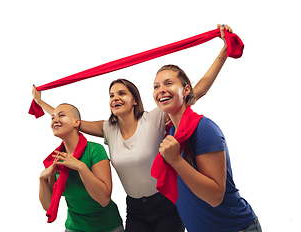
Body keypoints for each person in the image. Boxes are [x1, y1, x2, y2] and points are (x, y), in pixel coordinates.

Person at [34, 24, 232, 232]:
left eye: (121, 93)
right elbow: (69, 121)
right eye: (111, 95)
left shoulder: (154, 119)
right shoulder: (108, 129)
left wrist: (224, 52)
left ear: (134, 100)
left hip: (166, 204)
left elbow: (196, 92)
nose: (115, 98)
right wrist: (41, 103)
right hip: (135, 209)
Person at [152, 64, 262, 232]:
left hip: (235, 228)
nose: (161, 90)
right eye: (156, 86)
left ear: (186, 89)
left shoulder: (204, 129)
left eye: (168, 83)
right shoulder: (173, 132)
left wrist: (176, 160)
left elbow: (215, 196)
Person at [38, 103, 124, 232]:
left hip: (108, 227)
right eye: (52, 118)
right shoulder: (56, 159)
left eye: (61, 115)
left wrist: (80, 167)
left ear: (76, 122)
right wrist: (42, 179)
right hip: (75, 227)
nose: (55, 120)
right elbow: (48, 206)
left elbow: (104, 199)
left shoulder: (95, 150)